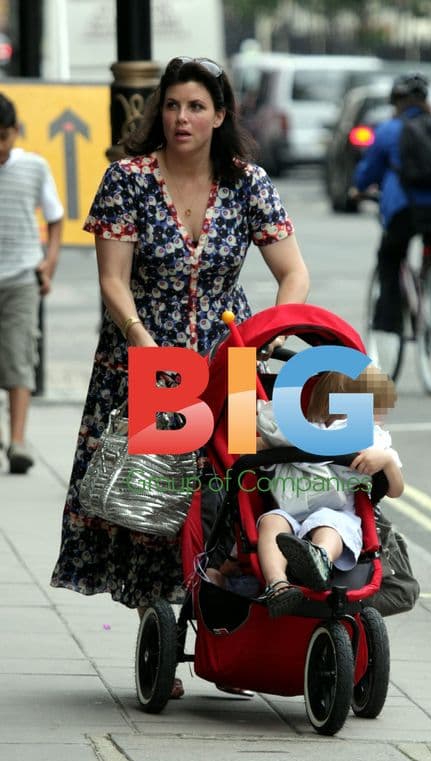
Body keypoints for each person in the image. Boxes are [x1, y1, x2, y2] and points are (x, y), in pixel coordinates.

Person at [50, 57, 310, 697]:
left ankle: (226, 627)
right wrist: (143, 344)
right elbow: (112, 279)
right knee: (155, 499)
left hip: (231, 356)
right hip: (148, 357)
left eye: (196, 107)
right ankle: (158, 628)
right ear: (157, 113)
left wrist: (268, 333)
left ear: (220, 115)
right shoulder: (128, 180)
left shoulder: (248, 182)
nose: (182, 118)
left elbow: (292, 272)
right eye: (171, 106)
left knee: (235, 489)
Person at [255, 366, 404, 617]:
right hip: (291, 513)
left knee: (327, 526)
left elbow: (396, 489)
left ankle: (318, 560)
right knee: (270, 521)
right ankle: (278, 585)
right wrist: (267, 437)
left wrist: (387, 461)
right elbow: (250, 446)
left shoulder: (371, 440)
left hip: (336, 511)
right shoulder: (297, 433)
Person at [352, 72, 431, 337]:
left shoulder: (389, 130)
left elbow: (367, 172)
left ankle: (388, 323)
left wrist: (358, 190)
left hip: (406, 210)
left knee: (389, 257)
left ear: (396, 102)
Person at [0, 92, 64, 473]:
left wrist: (50, 261)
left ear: (16, 132)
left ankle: (18, 440)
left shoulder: (35, 168)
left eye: (4, 137)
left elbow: (55, 217)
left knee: (19, 358)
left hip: (22, 276)